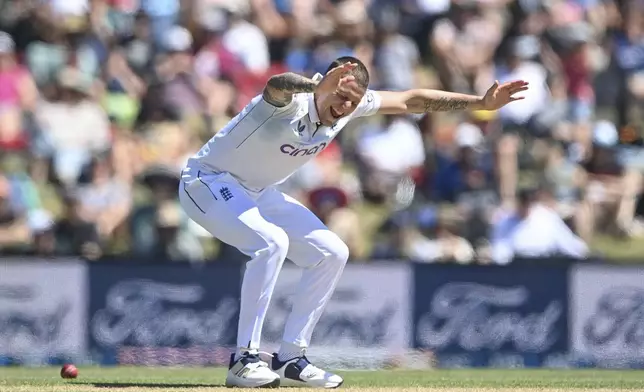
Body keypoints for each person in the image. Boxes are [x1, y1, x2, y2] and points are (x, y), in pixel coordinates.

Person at [178, 56, 528, 388]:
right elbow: (276, 85)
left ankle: (291, 358)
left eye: (353, 100)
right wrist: (311, 85)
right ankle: (244, 360)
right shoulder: (291, 101)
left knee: (332, 252)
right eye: (340, 96)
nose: (345, 107)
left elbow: (411, 100)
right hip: (208, 180)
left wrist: (480, 102)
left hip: (257, 190)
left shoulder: (351, 105)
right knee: (272, 243)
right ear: (323, 85)